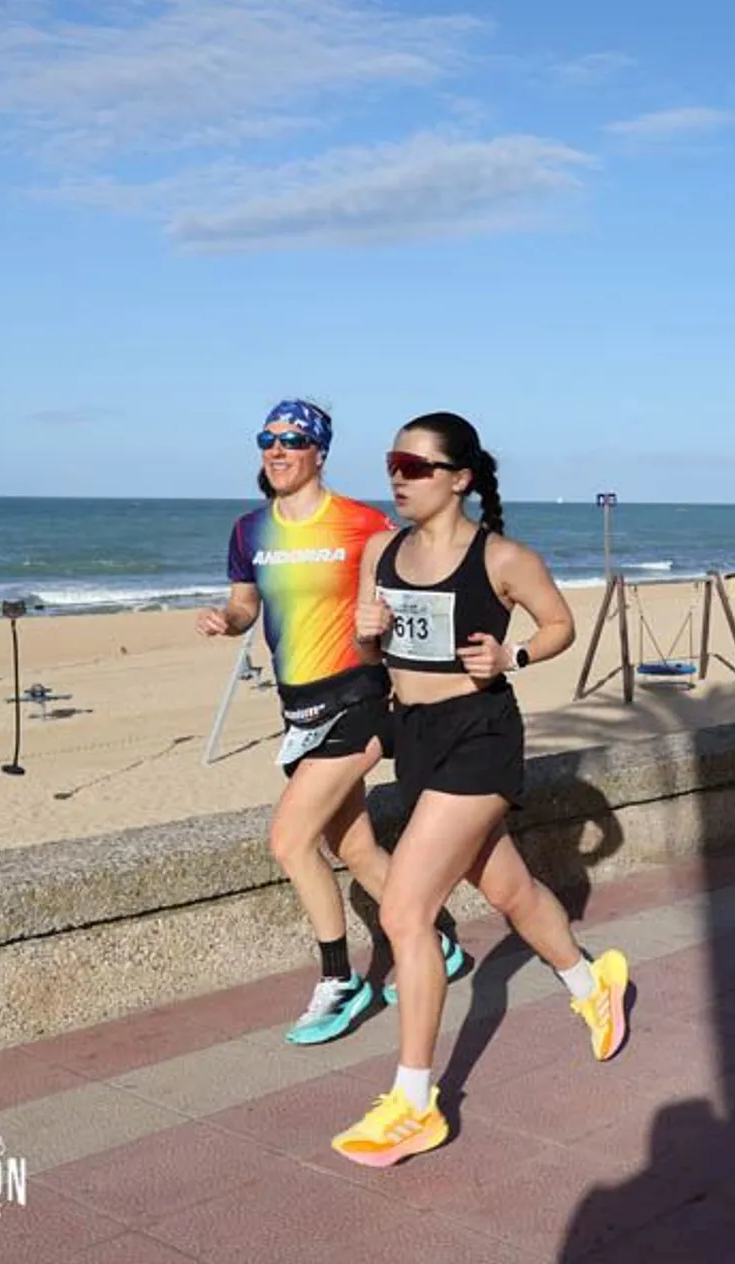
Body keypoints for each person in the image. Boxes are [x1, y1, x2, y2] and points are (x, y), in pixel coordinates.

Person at [334, 411, 629, 1167]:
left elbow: (560, 623)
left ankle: (415, 1101)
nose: (398, 476)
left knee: (405, 910)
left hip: (482, 737)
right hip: (418, 740)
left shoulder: (503, 557)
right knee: (510, 891)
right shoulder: (381, 551)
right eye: (392, 463)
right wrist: (369, 632)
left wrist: (514, 655)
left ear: (459, 477)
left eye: (415, 464)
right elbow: (377, 649)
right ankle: (590, 980)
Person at [198, 398, 462, 1047]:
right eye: (268, 439)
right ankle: (442, 941)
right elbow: (243, 607)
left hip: (358, 700)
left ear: (319, 451)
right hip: (298, 709)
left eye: (292, 440)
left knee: (289, 840)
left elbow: (414, 586)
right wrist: (224, 621)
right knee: (354, 847)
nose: (277, 450)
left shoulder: (363, 524)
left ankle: (341, 979)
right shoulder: (248, 531)